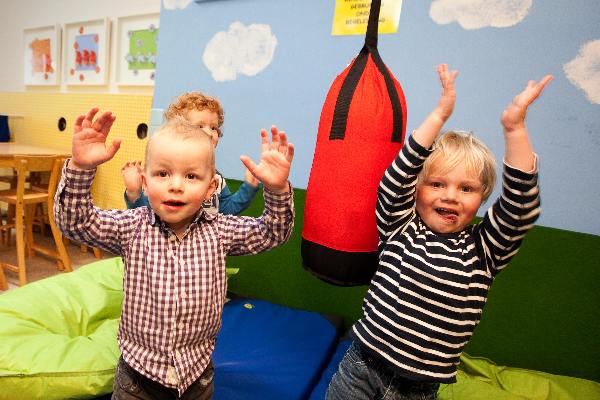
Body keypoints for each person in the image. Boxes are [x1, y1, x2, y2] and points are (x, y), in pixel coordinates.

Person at [326, 64, 552, 399]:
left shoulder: (483, 250)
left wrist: (514, 128)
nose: (449, 195)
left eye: (466, 189)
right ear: (417, 189)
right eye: (436, 184)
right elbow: (395, 180)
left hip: (417, 389)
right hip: (361, 367)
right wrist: (439, 114)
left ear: (482, 198)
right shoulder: (400, 225)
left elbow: (520, 207)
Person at [54, 108, 295, 398]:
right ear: (145, 181)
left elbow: (273, 232)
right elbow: (75, 223)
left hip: (197, 377)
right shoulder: (133, 227)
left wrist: (277, 189)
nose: (176, 185)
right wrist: (81, 169)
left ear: (210, 189)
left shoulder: (220, 231)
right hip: (137, 378)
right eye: (163, 173)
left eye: (191, 176)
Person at [121, 91, 260, 215]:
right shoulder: (162, 174)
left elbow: (227, 210)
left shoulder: (216, 178)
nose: (209, 133)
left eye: (214, 128)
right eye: (199, 126)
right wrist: (134, 193)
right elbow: (144, 215)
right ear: (176, 131)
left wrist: (249, 187)